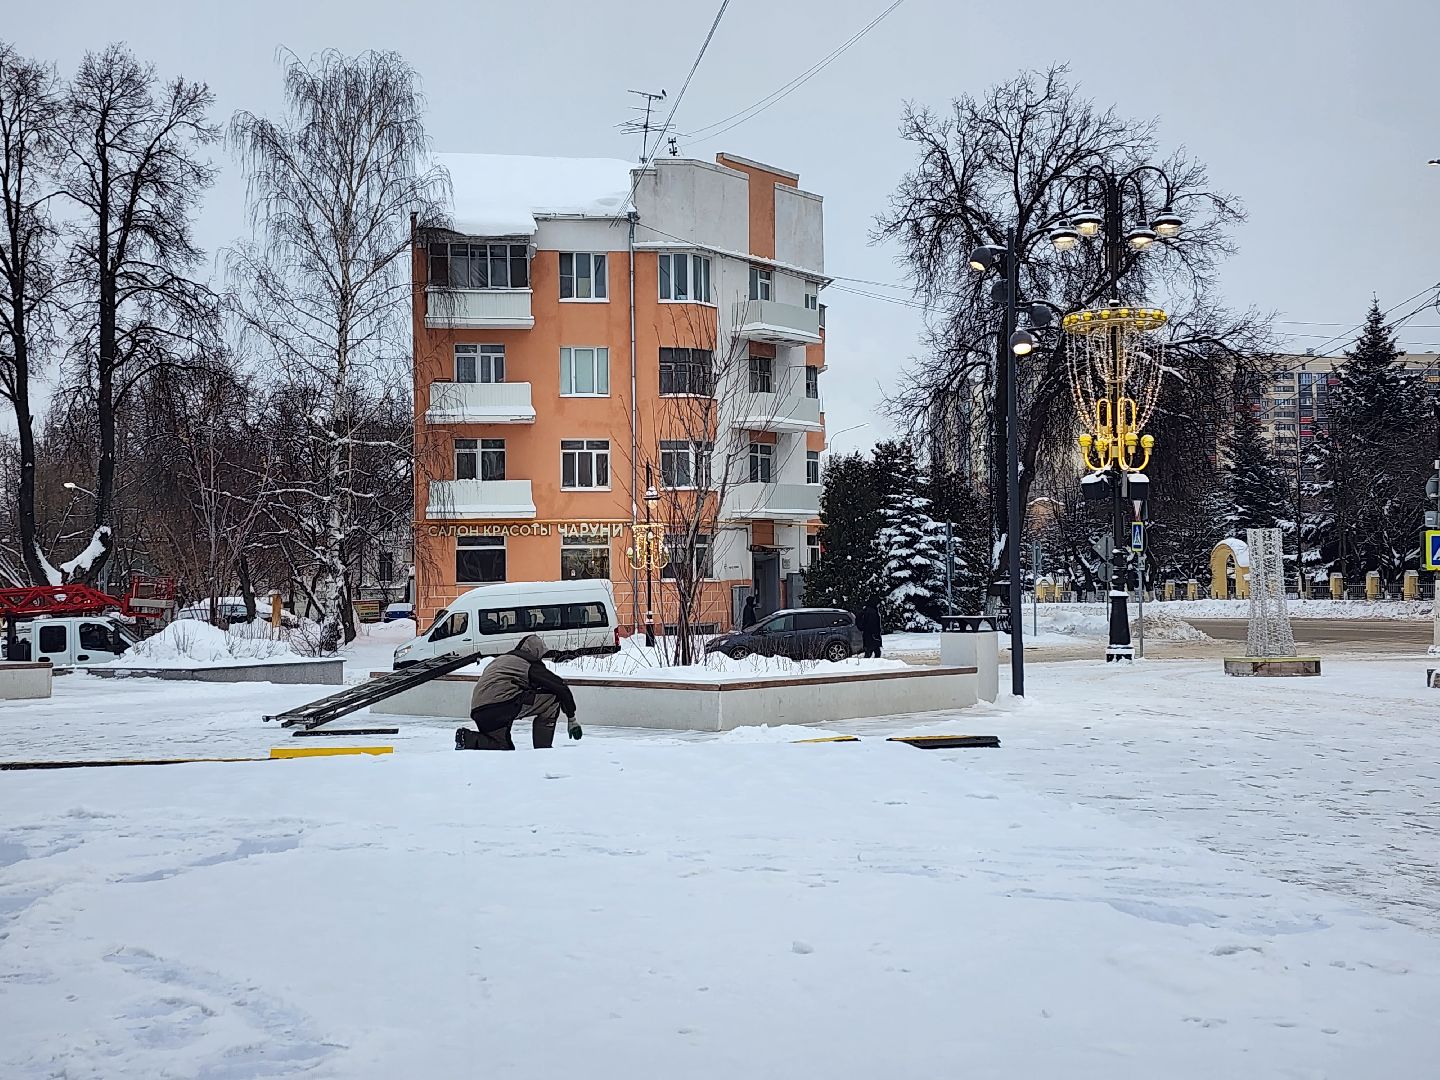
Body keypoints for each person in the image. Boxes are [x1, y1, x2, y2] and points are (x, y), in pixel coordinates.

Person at [455, 634, 582, 751]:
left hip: (480, 711)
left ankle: (468, 739)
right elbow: (559, 687)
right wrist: (572, 718)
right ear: (536, 651)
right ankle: (543, 750)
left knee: (503, 747)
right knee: (552, 699)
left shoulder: (502, 660)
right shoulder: (528, 663)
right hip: (500, 707)